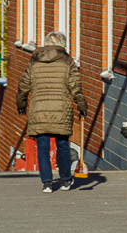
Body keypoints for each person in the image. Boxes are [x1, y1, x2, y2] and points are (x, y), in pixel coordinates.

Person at [18, 30, 86, 193]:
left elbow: (24, 85)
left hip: (39, 109)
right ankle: (65, 180)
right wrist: (81, 105)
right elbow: (75, 85)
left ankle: (47, 183)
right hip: (61, 109)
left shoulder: (34, 61)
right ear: (63, 44)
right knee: (62, 145)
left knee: (42, 146)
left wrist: (21, 104)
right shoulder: (67, 61)